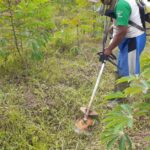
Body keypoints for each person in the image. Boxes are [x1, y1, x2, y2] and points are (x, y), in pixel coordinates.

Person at [101, 0, 147, 105]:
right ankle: (117, 94)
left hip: (133, 40)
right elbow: (125, 20)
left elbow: (122, 31)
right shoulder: (119, 2)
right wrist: (114, 26)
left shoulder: (122, 5)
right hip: (127, 38)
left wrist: (109, 49)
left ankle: (122, 100)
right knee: (121, 66)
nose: (102, 2)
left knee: (127, 71)